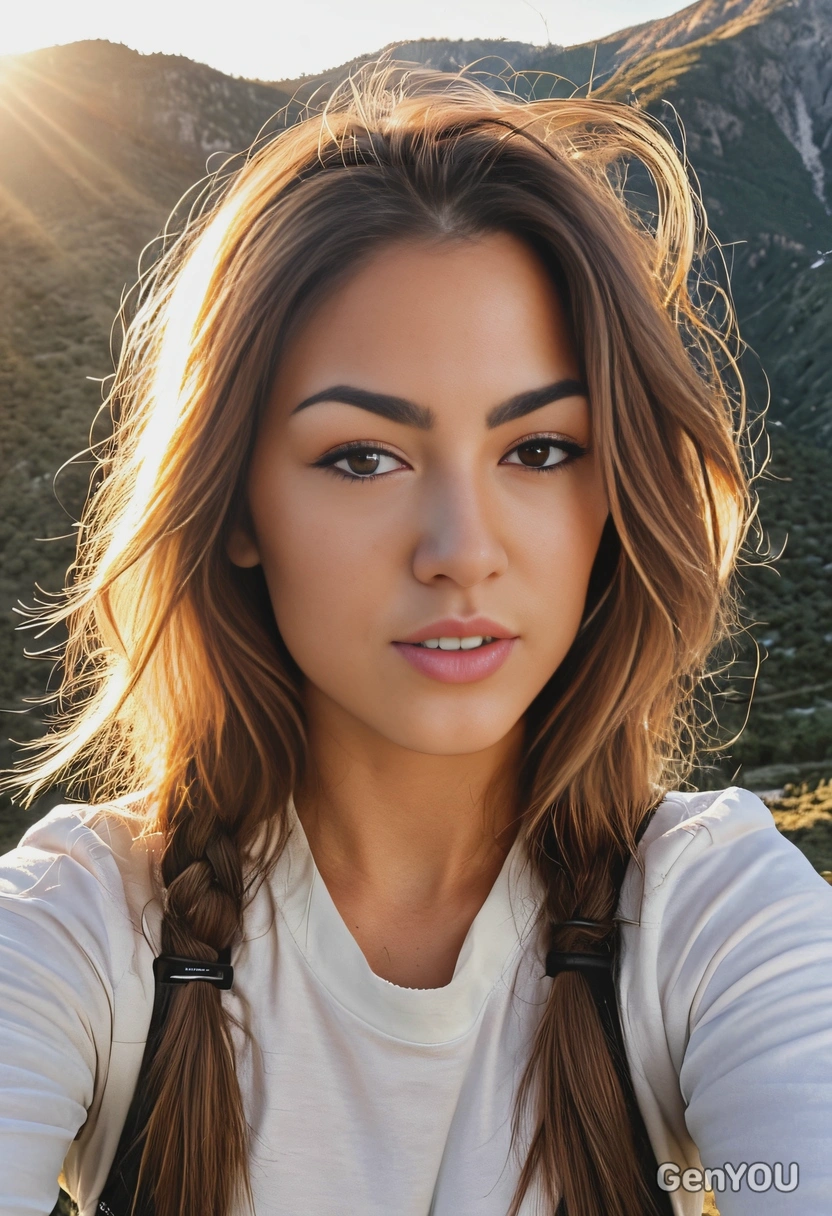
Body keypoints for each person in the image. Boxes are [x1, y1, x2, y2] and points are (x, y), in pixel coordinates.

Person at [0, 59, 830, 1216]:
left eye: (538, 449)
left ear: (613, 494)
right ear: (236, 507)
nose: (460, 547)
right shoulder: (78, 929)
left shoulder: (715, 916)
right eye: (360, 457)